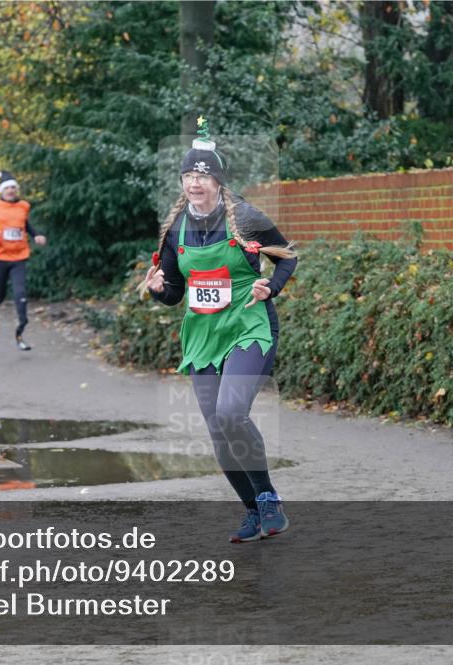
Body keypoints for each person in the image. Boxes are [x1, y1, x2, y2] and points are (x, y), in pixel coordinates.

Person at [141, 120, 298, 543]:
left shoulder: (246, 217)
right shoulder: (175, 230)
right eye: (188, 175)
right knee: (217, 428)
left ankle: (268, 499)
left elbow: (288, 257)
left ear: (217, 180)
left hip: (248, 325)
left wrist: (272, 286)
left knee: (231, 413)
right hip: (203, 335)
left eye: (203, 175)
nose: (195, 182)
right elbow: (175, 292)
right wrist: (159, 289)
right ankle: (252, 512)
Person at [0, 170, 46, 350]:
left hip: (19, 257)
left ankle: (20, 333)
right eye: (7, 188)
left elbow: (26, 225)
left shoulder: (23, 206)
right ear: (1, 191)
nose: (11, 190)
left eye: (14, 187)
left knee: (20, 294)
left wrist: (36, 235)